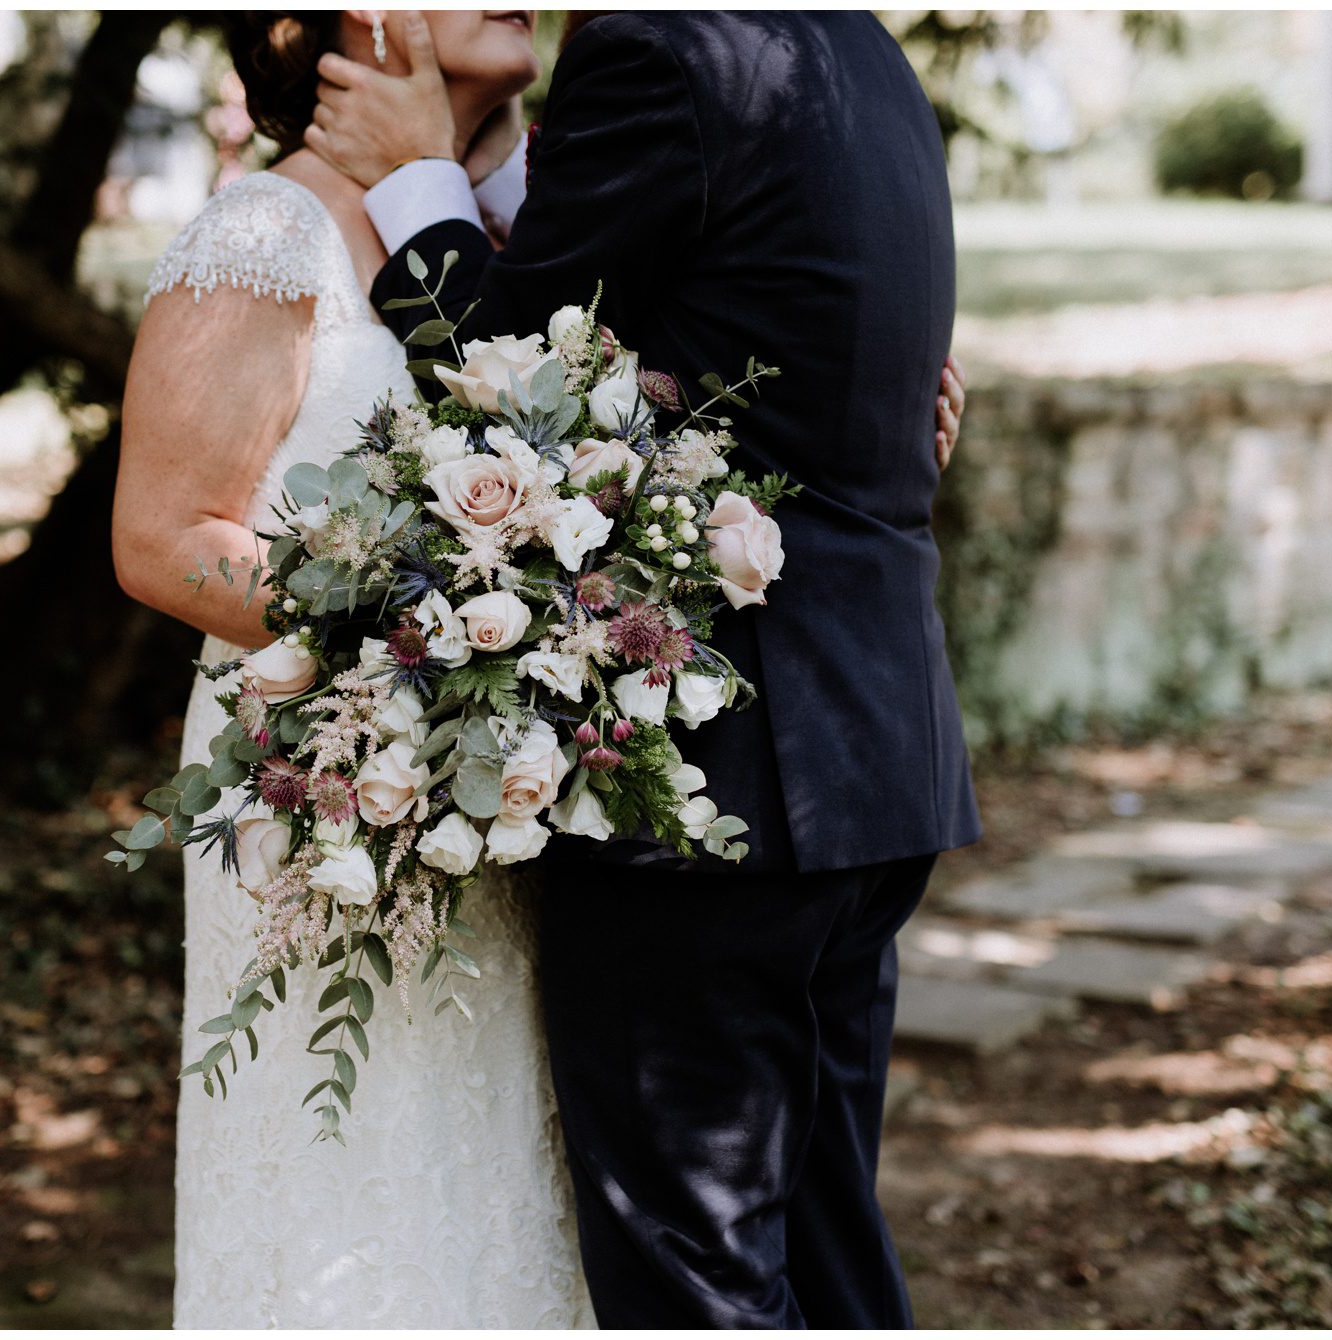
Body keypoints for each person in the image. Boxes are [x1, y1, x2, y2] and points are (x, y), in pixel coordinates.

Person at [306, 10, 980, 1328]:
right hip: (869, 757)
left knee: (695, 1273)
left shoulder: (655, 47)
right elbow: (682, 305)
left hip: (715, 785)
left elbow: (506, 384)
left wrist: (412, 173)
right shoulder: (853, 45)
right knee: (830, 1247)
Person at [113, 11, 595, 1327]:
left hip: (490, 804)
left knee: (492, 1162)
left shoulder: (505, 228)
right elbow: (163, 539)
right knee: (356, 1187)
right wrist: (419, 652)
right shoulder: (268, 233)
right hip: (327, 791)